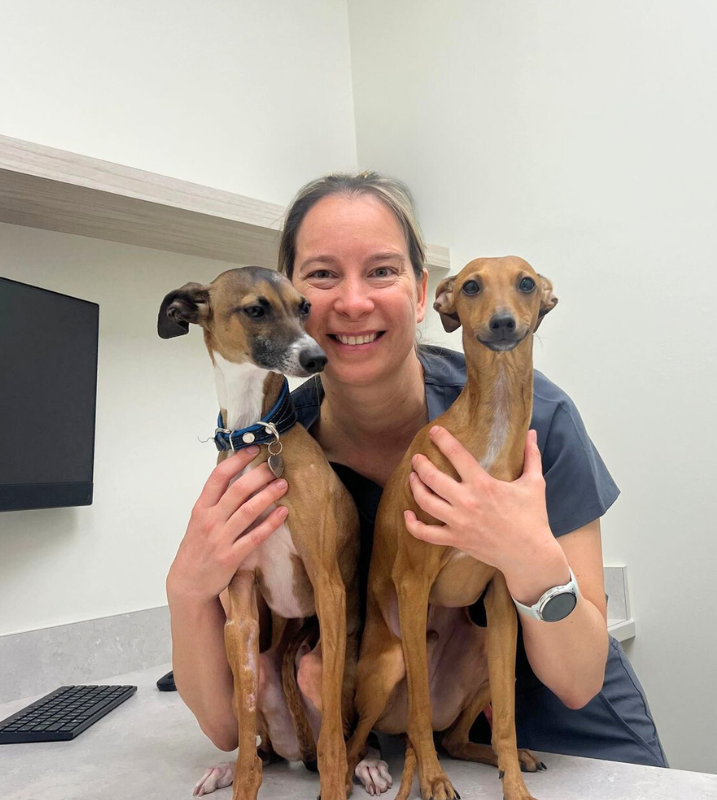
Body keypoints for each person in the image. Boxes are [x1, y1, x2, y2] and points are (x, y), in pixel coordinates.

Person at [166, 172, 668, 772]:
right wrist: (187, 591)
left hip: (574, 750)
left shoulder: (537, 418)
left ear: (425, 291)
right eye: (323, 275)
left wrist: (526, 556)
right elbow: (225, 727)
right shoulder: (278, 446)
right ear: (291, 296)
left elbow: (580, 680)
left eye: (382, 271)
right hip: (414, 752)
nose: (354, 302)